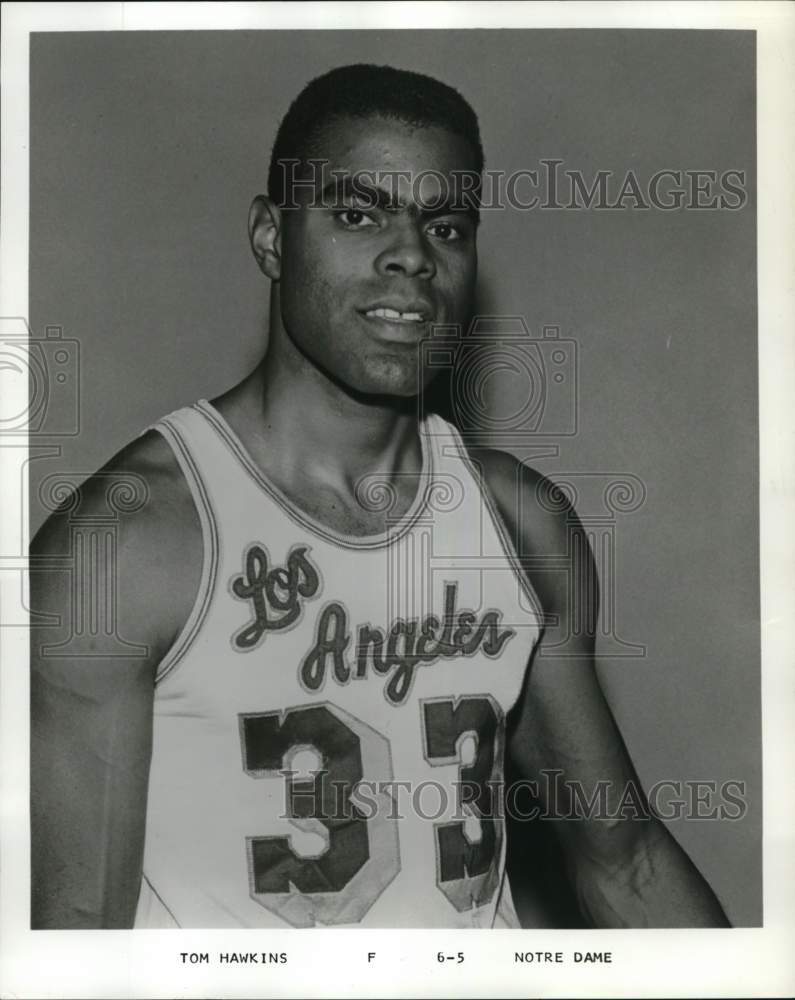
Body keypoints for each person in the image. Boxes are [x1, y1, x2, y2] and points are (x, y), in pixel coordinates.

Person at [30, 63, 729, 929]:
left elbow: (626, 866)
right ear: (271, 237)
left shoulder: (517, 521)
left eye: (445, 225)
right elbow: (75, 947)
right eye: (357, 215)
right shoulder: (127, 540)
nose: (410, 256)